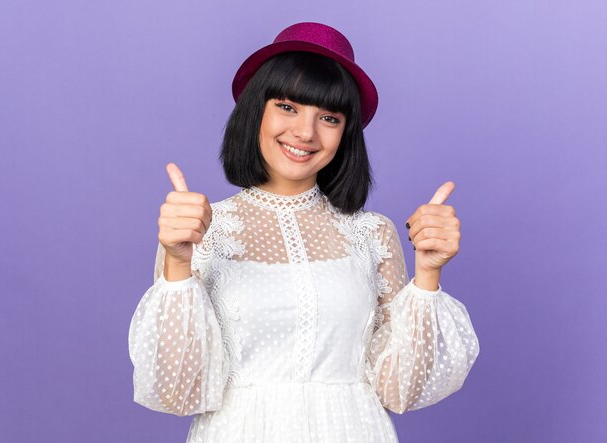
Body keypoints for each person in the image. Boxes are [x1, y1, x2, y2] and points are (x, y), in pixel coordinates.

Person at [128, 21, 480, 443]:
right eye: (288, 107)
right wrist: (178, 263)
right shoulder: (200, 231)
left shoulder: (372, 234)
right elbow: (177, 392)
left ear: (345, 134)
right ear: (256, 109)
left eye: (328, 117)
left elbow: (397, 390)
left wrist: (428, 275)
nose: (305, 133)